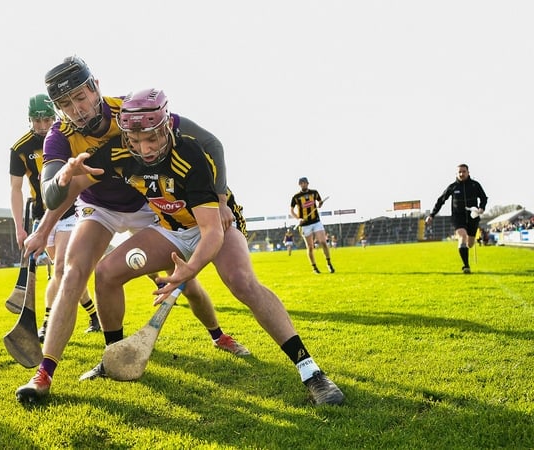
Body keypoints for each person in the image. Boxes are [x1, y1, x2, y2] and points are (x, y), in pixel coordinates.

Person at [17, 89, 344, 406]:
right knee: (106, 273)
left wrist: (191, 269)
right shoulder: (120, 151)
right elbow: (70, 188)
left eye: (152, 139)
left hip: (213, 224)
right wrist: (62, 179)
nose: (144, 149)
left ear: (166, 128)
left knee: (242, 282)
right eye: (135, 140)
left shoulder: (191, 155)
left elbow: (210, 232)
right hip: (171, 228)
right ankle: (115, 357)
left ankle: (310, 370)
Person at [15, 58, 248, 402]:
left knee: (182, 280)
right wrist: (62, 180)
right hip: (99, 207)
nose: (76, 110)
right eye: (65, 104)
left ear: (95, 87)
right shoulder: (59, 136)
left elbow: (210, 143)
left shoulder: (130, 110)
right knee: (73, 273)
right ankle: (49, 373)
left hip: (147, 204)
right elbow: (53, 194)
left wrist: (221, 198)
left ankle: (218, 334)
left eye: (80, 97)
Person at [9, 93, 101, 342]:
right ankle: (94, 316)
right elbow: (16, 189)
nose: (42, 126)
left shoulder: (66, 135)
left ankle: (47, 323)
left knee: (59, 269)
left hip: (70, 210)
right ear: (29, 120)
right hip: (42, 218)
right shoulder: (20, 149)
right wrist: (19, 228)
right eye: (37, 121)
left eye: (47, 120)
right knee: (65, 274)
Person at [425, 163, 488, 274]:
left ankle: (466, 249)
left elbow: (484, 197)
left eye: (464, 171)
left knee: (470, 244)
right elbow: (441, 200)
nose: (461, 174)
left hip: (473, 217)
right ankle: (466, 266)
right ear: (456, 173)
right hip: (458, 217)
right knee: (462, 236)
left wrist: (481, 207)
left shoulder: (475, 185)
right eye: (459, 172)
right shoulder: (453, 187)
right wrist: (432, 215)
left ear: (468, 172)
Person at [290, 177, 335, 274]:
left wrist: (320, 204)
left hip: (316, 221)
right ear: (299, 185)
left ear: (308, 183)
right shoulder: (296, 197)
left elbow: (320, 202)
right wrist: (298, 219)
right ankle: (314, 267)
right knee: (310, 247)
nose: (303, 184)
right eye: (301, 183)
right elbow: (291, 211)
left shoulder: (314, 193)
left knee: (323, 242)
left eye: (305, 183)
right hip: (305, 225)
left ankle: (329, 263)